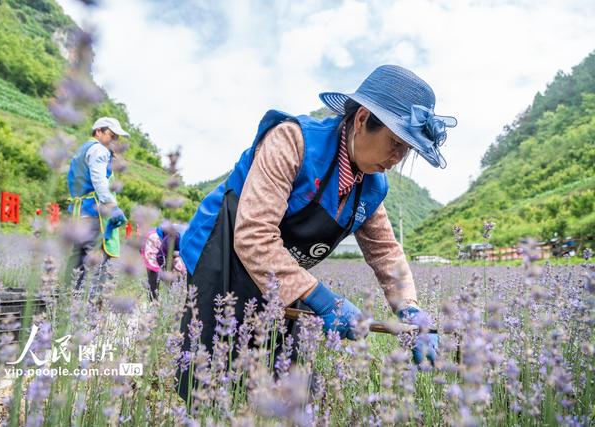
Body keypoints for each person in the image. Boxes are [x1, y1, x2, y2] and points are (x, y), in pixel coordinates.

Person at [178, 65, 457, 400]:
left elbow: (386, 253)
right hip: (222, 256)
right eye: (395, 142)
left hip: (282, 276)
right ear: (362, 119)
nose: (398, 158)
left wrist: (411, 312)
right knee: (209, 375)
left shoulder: (370, 186)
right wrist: (324, 300)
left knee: (288, 383)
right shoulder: (292, 141)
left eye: (407, 150)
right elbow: (253, 233)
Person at [66, 117, 130, 293]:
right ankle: (90, 307)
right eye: (112, 135)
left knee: (77, 258)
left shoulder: (82, 150)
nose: (114, 141)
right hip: (93, 212)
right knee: (95, 256)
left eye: (117, 138)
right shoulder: (99, 150)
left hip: (79, 212)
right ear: (98, 132)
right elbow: (99, 181)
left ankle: (68, 299)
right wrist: (112, 205)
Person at [140, 222, 187, 301]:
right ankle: (153, 302)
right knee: (154, 272)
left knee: (175, 271)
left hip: (170, 241)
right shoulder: (185, 237)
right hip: (154, 239)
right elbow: (163, 253)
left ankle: (172, 298)